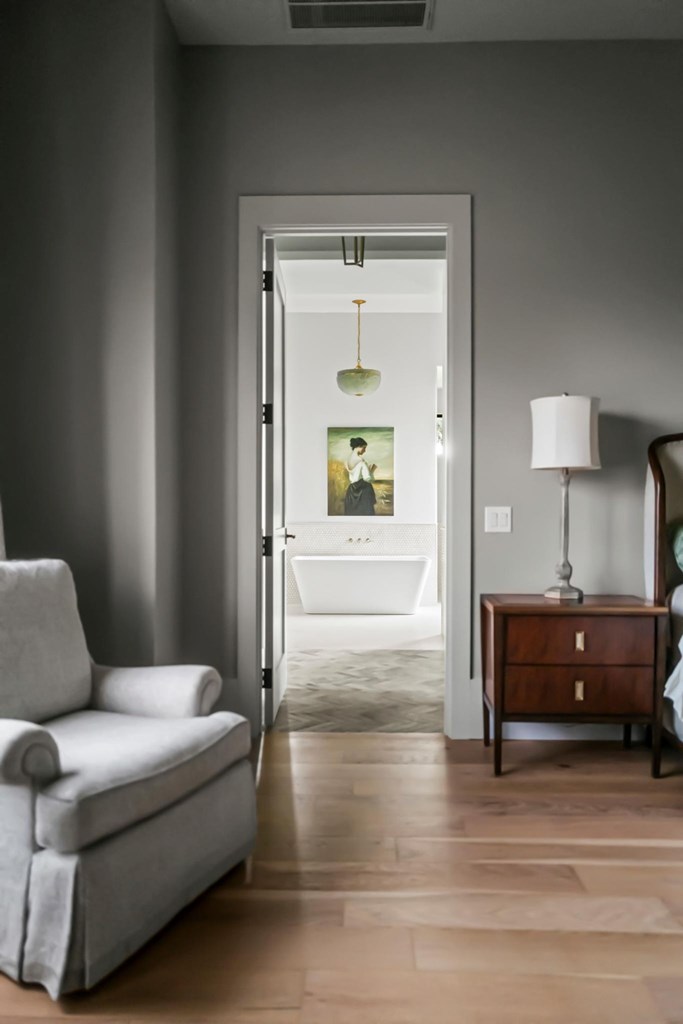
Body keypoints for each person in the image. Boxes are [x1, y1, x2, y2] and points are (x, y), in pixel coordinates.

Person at [344, 436, 377, 515]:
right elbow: (368, 478)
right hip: (362, 492)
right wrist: (372, 471)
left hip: (351, 491)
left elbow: (353, 475)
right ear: (358, 446)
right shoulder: (361, 461)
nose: (365, 450)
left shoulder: (348, 460)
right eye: (364, 448)